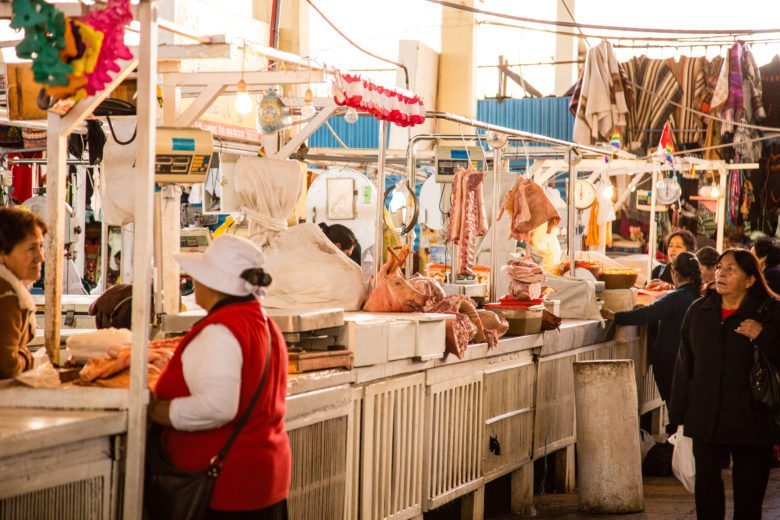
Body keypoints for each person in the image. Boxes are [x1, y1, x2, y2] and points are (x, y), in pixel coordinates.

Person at [147, 235, 291, 519]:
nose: (195, 281)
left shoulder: (222, 330)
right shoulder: (262, 322)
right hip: (264, 479)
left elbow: (218, 407)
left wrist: (155, 410)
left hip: (227, 489)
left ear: (213, 283)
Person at [670, 249, 780, 519]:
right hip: (707, 416)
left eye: (731, 269)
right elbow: (685, 365)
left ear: (750, 279)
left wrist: (762, 336)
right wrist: (678, 416)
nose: (721, 273)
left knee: (748, 499)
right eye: (719, 268)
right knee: (707, 494)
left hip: (753, 419)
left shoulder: (770, 312)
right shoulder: (700, 311)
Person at [602, 252, 702, 409]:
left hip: (673, 363)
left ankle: (675, 431)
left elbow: (648, 314)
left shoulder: (676, 297)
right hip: (690, 363)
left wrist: (615, 316)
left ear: (674, 273)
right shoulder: (696, 295)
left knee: (676, 408)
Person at [0, 207, 46, 379]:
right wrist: (27, 358)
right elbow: (7, 366)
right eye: (31, 248)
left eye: (41, 246)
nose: (40, 257)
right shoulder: (7, 297)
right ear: (3, 252)